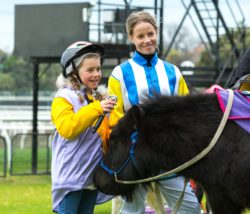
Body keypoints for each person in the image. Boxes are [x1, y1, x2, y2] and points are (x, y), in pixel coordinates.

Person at [108, 11, 201, 214]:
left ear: (156, 32)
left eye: (150, 34)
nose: (147, 40)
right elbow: (114, 116)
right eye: (140, 36)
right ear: (131, 38)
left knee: (191, 208)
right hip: (136, 157)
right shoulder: (120, 74)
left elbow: (186, 113)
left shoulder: (173, 72)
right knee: (133, 209)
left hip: (168, 155)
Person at [51, 41, 115, 214]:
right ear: (73, 72)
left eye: (98, 69)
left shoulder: (97, 99)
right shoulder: (63, 98)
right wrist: (98, 109)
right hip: (70, 179)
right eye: (90, 70)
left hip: (91, 178)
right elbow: (67, 128)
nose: (96, 74)